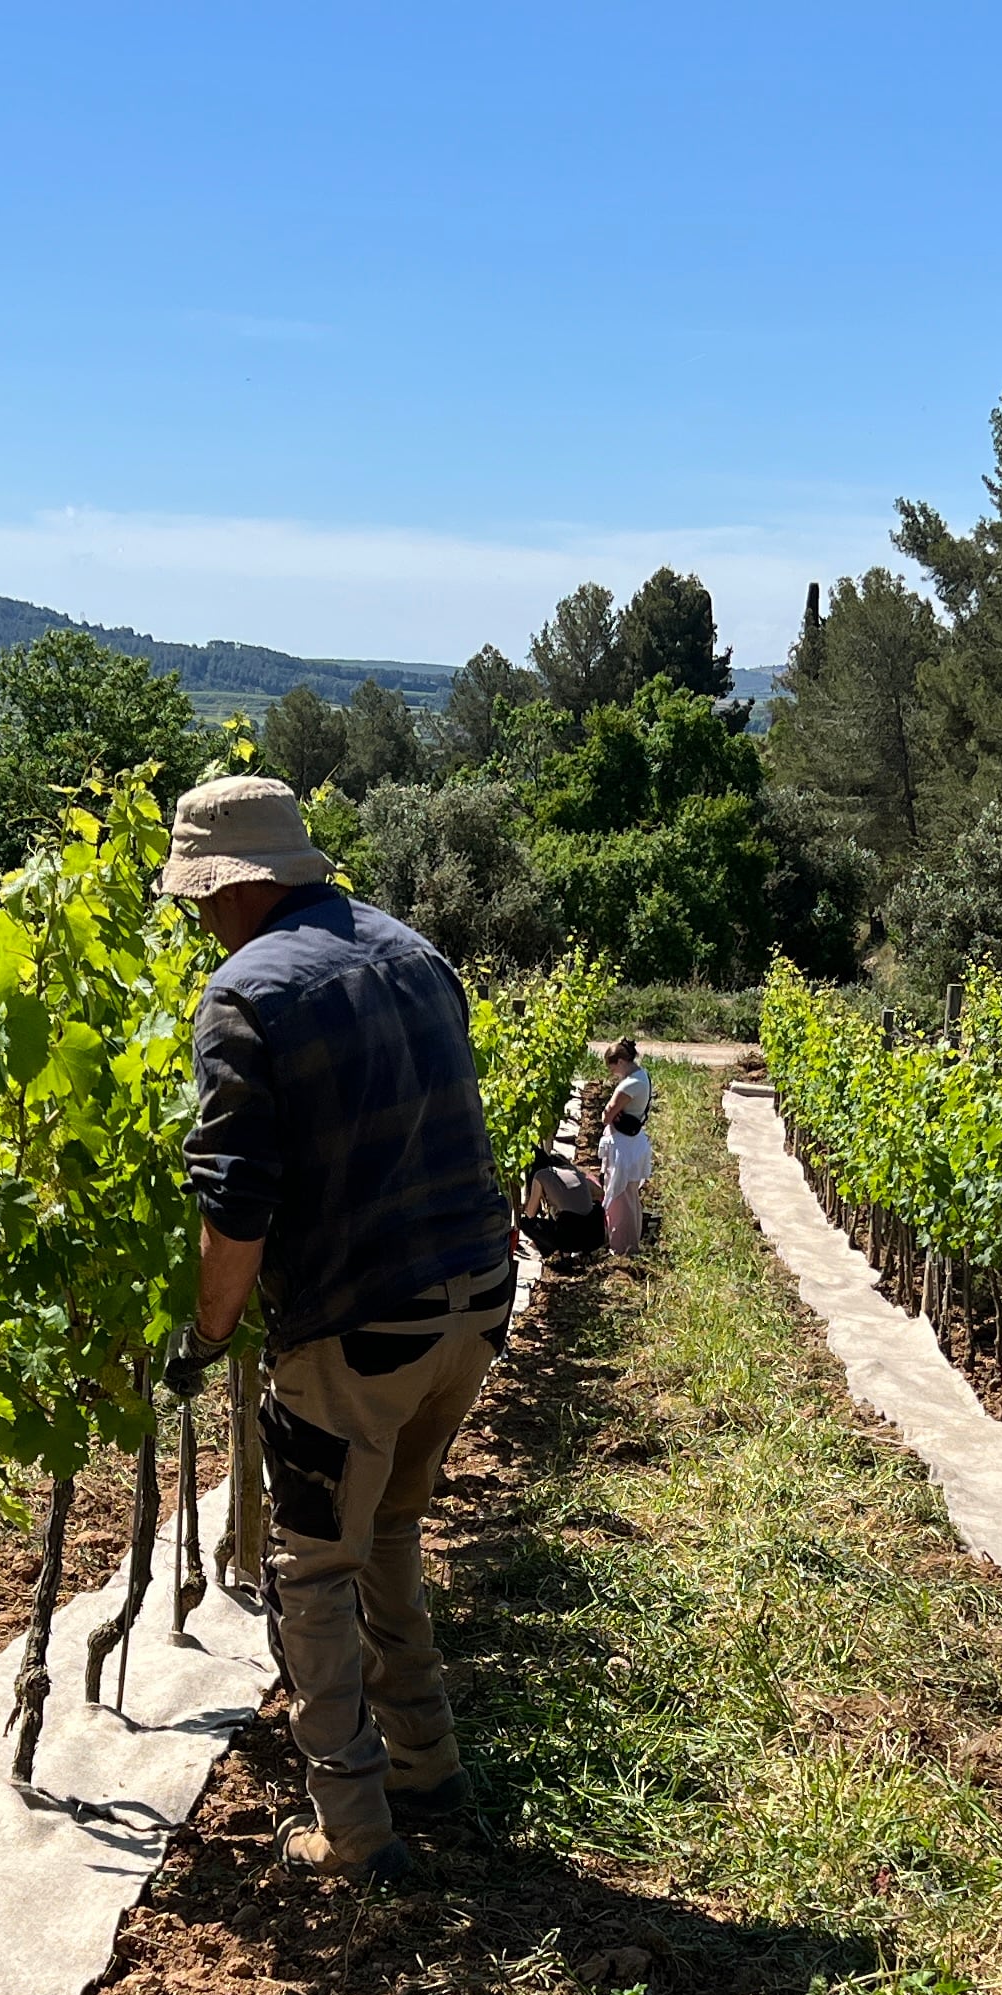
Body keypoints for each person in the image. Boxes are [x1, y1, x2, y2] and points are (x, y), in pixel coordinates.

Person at [159, 776, 515, 1886]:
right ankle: (429, 1758)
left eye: (196, 899)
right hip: (472, 1305)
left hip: (360, 1330)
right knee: (393, 1531)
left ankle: (354, 1831)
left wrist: (207, 1335)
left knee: (309, 1570)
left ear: (233, 887)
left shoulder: (243, 995)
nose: (196, 919)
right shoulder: (416, 952)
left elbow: (236, 1203)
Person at [597, 1037, 657, 1255]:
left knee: (620, 1196)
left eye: (613, 1068)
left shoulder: (630, 1084)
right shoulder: (641, 1077)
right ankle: (629, 1244)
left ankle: (624, 1247)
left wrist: (607, 1112)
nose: (614, 1074)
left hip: (624, 1147)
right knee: (629, 1195)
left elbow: (607, 1114)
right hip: (632, 1144)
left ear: (621, 1062)